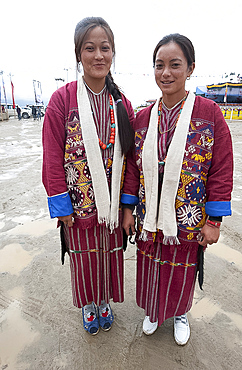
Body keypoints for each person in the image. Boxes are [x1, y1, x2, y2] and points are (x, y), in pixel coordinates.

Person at [121, 33, 233, 345]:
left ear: (190, 68)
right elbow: (132, 167)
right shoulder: (143, 117)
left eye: (175, 65)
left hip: (189, 213)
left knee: (182, 267)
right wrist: (128, 209)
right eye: (159, 65)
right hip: (149, 214)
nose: (166, 72)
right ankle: (154, 311)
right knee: (151, 263)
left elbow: (222, 167)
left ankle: (180, 313)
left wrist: (214, 221)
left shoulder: (210, 114)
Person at [42, 17, 134, 335]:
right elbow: (52, 158)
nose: (98, 56)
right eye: (90, 48)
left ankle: (104, 301)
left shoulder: (123, 104)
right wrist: (60, 204)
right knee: (84, 260)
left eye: (104, 48)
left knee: (108, 259)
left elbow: (131, 161)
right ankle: (88, 306)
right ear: (78, 54)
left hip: (111, 210)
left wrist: (127, 207)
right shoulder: (61, 101)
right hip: (78, 207)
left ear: (113, 53)